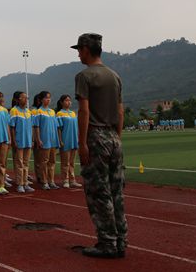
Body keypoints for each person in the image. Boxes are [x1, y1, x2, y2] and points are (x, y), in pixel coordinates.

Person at [73, 33, 128, 258]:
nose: (78, 54)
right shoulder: (114, 76)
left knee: (99, 192)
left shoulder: (84, 76)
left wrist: (82, 143)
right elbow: (120, 111)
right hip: (114, 137)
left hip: (96, 136)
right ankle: (121, 240)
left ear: (86, 49)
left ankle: (107, 243)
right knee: (116, 191)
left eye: (79, 49)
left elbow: (84, 111)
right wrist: (117, 137)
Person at [33, 91, 59, 190]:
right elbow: (36, 127)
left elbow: (56, 126)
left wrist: (57, 139)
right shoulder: (38, 112)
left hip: (53, 140)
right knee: (44, 161)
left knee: (52, 161)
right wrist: (38, 139)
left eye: (49, 98)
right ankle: (44, 181)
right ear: (41, 100)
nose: (48, 100)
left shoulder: (52, 112)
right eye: (46, 98)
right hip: (44, 139)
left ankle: (51, 181)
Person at [9, 91, 34, 193]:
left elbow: (31, 127)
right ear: (18, 99)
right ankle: (20, 184)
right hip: (19, 140)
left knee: (26, 163)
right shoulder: (14, 111)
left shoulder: (28, 111)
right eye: (23, 97)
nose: (26, 99)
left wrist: (32, 139)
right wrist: (13, 140)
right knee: (19, 163)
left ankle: (25, 183)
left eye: (26, 98)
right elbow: (12, 127)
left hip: (28, 141)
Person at [56, 95, 82, 188]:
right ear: (62, 102)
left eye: (69, 100)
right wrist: (60, 140)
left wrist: (78, 138)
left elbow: (76, 127)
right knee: (65, 162)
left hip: (73, 139)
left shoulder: (73, 113)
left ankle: (72, 180)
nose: (69, 102)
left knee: (72, 162)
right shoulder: (60, 114)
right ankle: (65, 180)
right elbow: (59, 129)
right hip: (65, 139)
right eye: (66, 100)